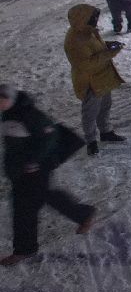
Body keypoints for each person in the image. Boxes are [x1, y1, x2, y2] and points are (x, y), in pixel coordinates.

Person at [0, 84, 96, 266]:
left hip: (35, 170)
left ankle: (84, 214)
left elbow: (49, 138)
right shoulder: (8, 113)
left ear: (8, 99)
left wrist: (34, 161)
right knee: (24, 208)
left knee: (41, 199)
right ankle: (24, 249)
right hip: (20, 171)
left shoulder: (30, 115)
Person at [64, 4, 126, 156]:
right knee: (90, 112)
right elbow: (86, 65)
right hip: (90, 82)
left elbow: (96, 48)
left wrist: (107, 46)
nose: (96, 20)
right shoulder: (75, 40)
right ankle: (91, 141)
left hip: (102, 77)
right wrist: (109, 54)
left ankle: (105, 132)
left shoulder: (88, 31)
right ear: (84, 19)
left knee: (105, 106)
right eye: (93, 18)